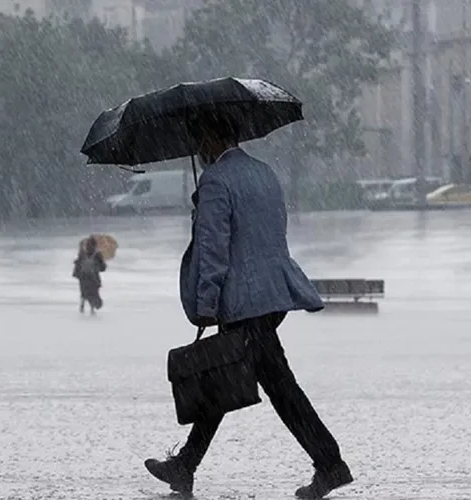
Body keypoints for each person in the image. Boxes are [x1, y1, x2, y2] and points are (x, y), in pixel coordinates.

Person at [143, 113, 352, 500]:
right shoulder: (264, 173)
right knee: (226, 379)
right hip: (271, 296)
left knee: (273, 387)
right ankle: (185, 465)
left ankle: (330, 464)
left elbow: (214, 250)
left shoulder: (216, 181)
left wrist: (206, 304)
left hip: (242, 302)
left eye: (198, 140)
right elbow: (269, 233)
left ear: (210, 137)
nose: (197, 150)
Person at [72, 236, 106, 315]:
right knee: (91, 292)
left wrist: (77, 274)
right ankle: (90, 308)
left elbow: (78, 264)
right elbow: (102, 268)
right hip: (90, 277)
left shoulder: (83, 254)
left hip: (87, 277)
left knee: (86, 292)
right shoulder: (96, 254)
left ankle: (84, 306)